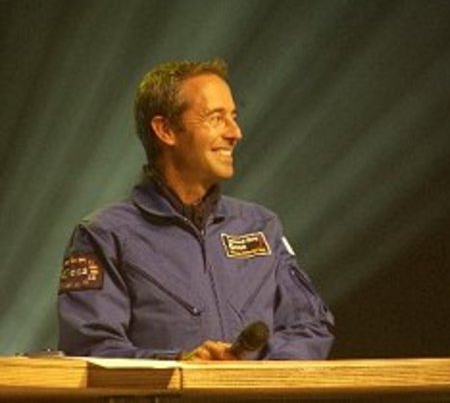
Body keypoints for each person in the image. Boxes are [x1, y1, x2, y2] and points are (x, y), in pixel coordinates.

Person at [57, 58, 334, 360]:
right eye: (216, 118)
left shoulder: (261, 225)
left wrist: (250, 374)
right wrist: (180, 366)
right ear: (165, 130)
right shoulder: (104, 235)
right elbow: (91, 350)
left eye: (233, 117)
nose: (235, 133)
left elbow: (311, 326)